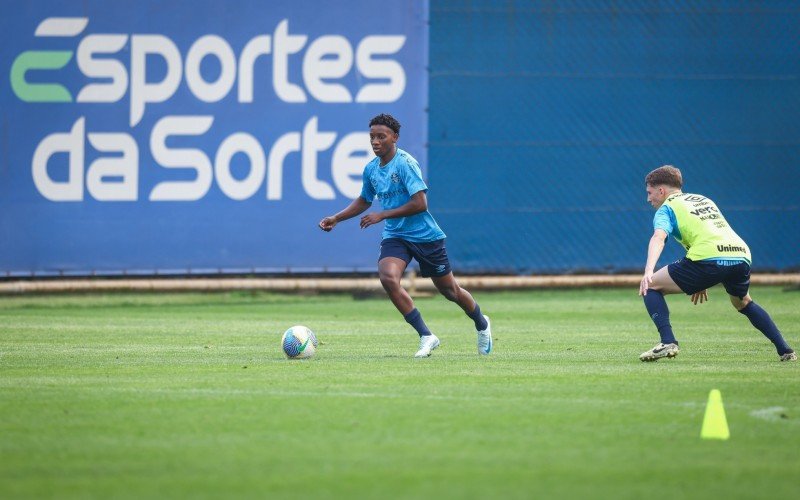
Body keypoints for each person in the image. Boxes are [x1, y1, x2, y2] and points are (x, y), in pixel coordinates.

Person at [319, 113, 492, 358]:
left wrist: (382, 215)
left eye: (381, 136)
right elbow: (364, 200)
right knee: (388, 278)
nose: (375, 141)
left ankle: (481, 323)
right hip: (396, 235)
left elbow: (420, 203)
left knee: (450, 291)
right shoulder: (371, 169)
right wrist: (337, 218)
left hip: (425, 236)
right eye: (372, 137)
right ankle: (426, 336)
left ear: (395, 137)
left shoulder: (405, 163)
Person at [638, 165, 795, 362]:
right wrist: (700, 280)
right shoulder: (703, 199)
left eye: (649, 192)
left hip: (707, 258)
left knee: (651, 286)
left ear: (661, 190)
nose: (648, 198)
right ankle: (786, 350)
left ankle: (668, 341)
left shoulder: (666, 208)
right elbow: (707, 232)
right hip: (740, 254)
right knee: (743, 302)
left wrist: (648, 271)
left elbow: (658, 237)